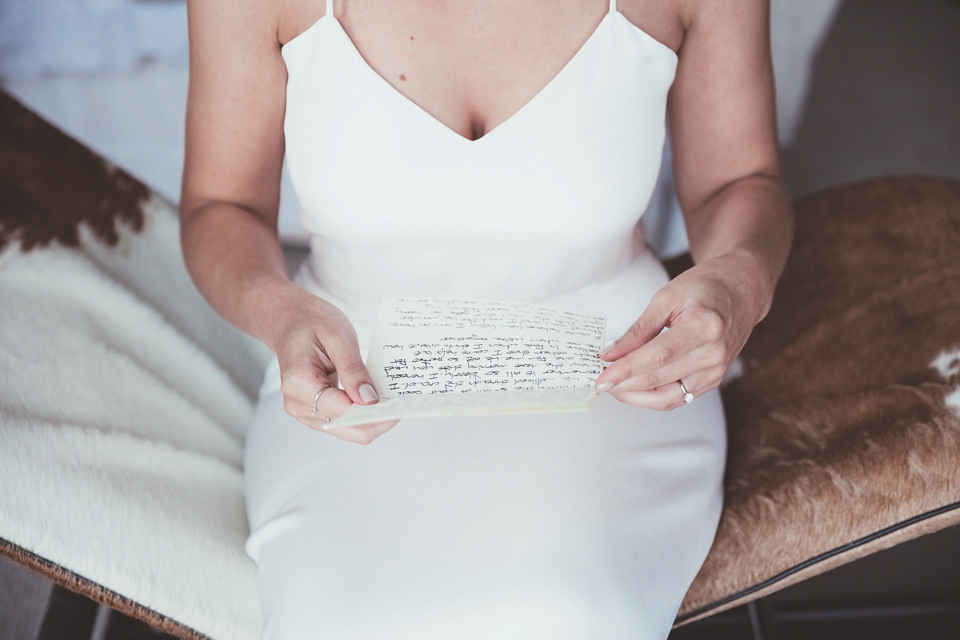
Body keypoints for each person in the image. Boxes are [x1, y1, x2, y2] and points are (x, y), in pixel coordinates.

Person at [180, 0, 792, 637]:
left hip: (620, 372)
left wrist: (740, 282)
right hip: (349, 380)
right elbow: (222, 206)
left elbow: (739, 178)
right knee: (339, 620)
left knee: (570, 613)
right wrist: (282, 314)